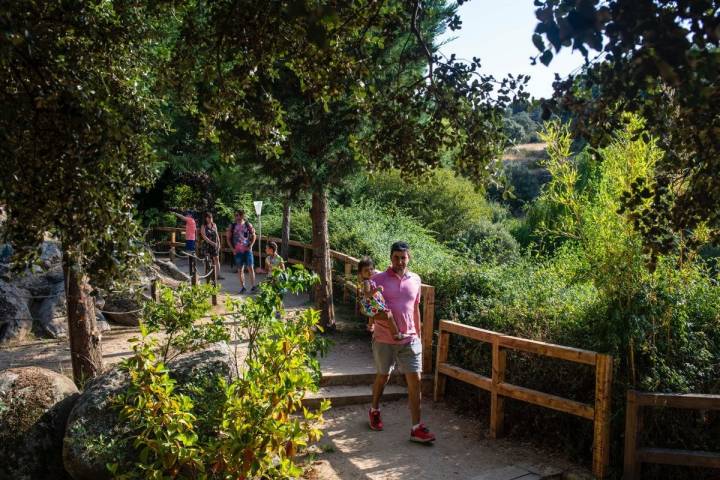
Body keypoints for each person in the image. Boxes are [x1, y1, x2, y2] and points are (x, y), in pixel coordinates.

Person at [368, 241, 435, 443]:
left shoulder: (416, 280)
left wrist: (419, 336)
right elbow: (370, 310)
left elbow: (415, 309)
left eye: (403, 257)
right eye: (396, 257)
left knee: (415, 381)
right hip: (384, 339)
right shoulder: (377, 279)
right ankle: (374, 409)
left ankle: (416, 428)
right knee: (383, 377)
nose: (399, 261)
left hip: (410, 340)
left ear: (409, 258)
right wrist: (383, 322)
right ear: (390, 258)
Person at [357, 256, 408, 340]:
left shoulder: (370, 280)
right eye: (366, 270)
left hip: (371, 305)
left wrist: (389, 268)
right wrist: (377, 289)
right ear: (361, 273)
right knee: (389, 315)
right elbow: (367, 295)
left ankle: (370, 325)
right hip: (371, 305)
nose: (369, 272)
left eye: (371, 269)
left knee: (376, 314)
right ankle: (396, 334)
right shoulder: (366, 282)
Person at [226, 209, 256, 293]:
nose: (237, 217)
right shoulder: (232, 226)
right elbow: (228, 238)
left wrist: (251, 246)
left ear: (243, 216)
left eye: (239, 215)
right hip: (238, 251)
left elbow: (254, 236)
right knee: (240, 269)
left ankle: (253, 286)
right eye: (236, 215)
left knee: (250, 267)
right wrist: (232, 249)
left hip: (247, 250)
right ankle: (243, 287)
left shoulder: (248, 225)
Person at [200, 212, 223, 280]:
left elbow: (217, 234)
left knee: (216, 259)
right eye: (209, 217)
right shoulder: (203, 226)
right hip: (207, 245)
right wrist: (212, 243)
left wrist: (219, 243)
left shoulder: (214, 225)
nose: (210, 219)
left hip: (214, 245)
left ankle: (218, 274)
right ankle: (207, 274)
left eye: (211, 217)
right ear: (206, 218)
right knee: (207, 260)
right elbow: (204, 236)